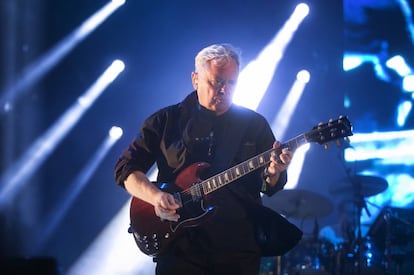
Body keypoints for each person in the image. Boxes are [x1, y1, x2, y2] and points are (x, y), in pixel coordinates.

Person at [114, 43, 294, 275]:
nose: (224, 89)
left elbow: (268, 186)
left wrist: (274, 172)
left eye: (231, 83)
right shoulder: (165, 121)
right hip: (180, 246)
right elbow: (125, 169)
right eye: (216, 81)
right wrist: (156, 196)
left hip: (238, 247)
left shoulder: (254, 125)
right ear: (195, 79)